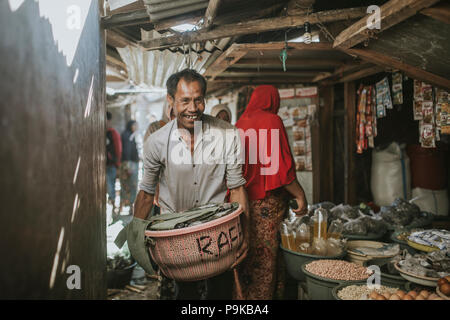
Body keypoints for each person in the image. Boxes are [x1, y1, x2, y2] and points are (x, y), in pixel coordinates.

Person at [134, 69, 249, 300]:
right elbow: (147, 193)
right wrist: (136, 243)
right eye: (185, 100)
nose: (193, 108)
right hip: (177, 237)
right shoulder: (156, 142)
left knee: (220, 292)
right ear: (171, 100)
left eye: (198, 100)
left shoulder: (228, 135)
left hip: (217, 233)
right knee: (184, 295)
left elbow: (236, 188)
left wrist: (245, 236)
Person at [234, 85, 308, 300]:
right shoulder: (271, 121)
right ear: (272, 101)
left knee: (246, 259)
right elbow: (281, 169)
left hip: (243, 203)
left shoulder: (240, 123)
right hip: (268, 204)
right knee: (267, 260)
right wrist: (301, 195)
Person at [118, 120, 140, 217]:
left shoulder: (130, 134)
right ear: (131, 125)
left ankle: (126, 208)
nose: (136, 127)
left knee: (128, 186)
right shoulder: (127, 135)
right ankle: (127, 207)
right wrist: (128, 166)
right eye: (135, 125)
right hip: (129, 164)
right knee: (129, 186)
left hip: (130, 163)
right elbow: (126, 151)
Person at [106, 111, 122, 212]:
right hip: (104, 166)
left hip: (110, 165)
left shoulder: (112, 133)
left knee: (110, 187)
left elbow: (118, 149)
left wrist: (117, 163)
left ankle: (111, 210)